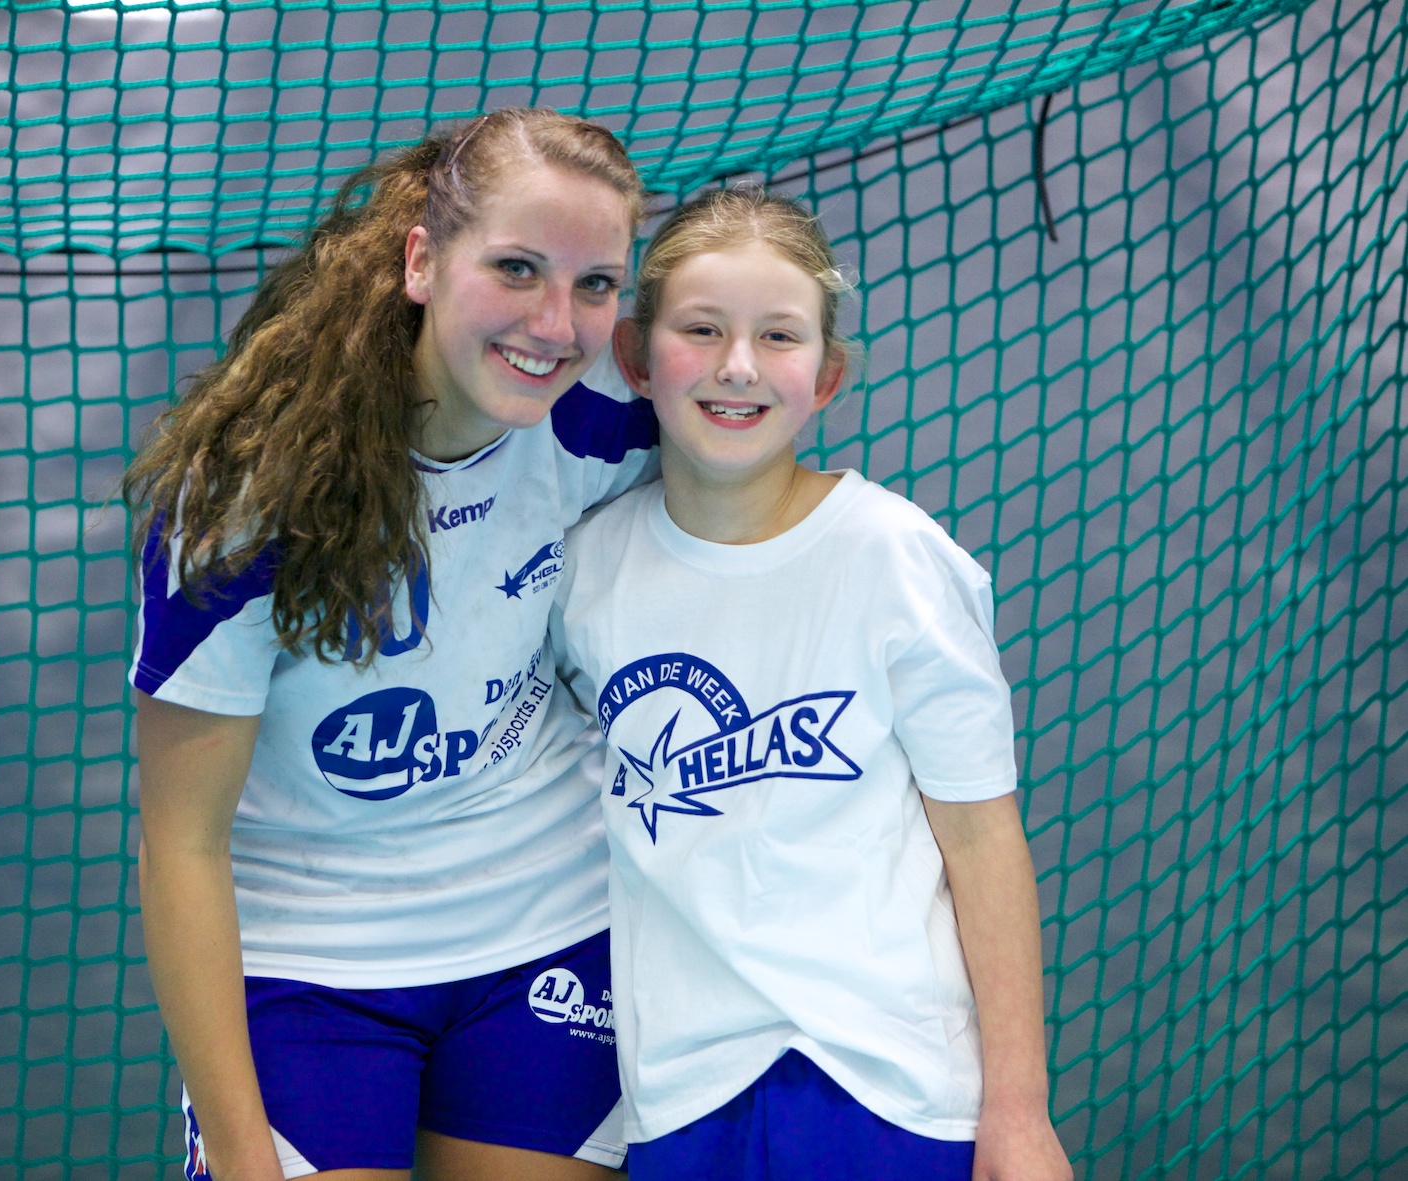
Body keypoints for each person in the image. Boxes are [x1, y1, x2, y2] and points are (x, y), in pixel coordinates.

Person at [122, 109, 654, 1181]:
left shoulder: (606, 416)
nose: (555, 323)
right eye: (516, 268)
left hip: (545, 917)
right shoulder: (247, 495)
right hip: (308, 952)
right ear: (421, 261)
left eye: (596, 284)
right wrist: (242, 1155)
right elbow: (181, 842)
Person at [551, 186, 1074, 1180]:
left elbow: (982, 839)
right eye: (701, 329)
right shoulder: (586, 572)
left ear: (826, 374)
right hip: (679, 1093)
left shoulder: (895, 559)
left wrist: (1018, 1109)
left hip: (883, 1083)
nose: (737, 366)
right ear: (634, 356)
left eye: (778, 335)